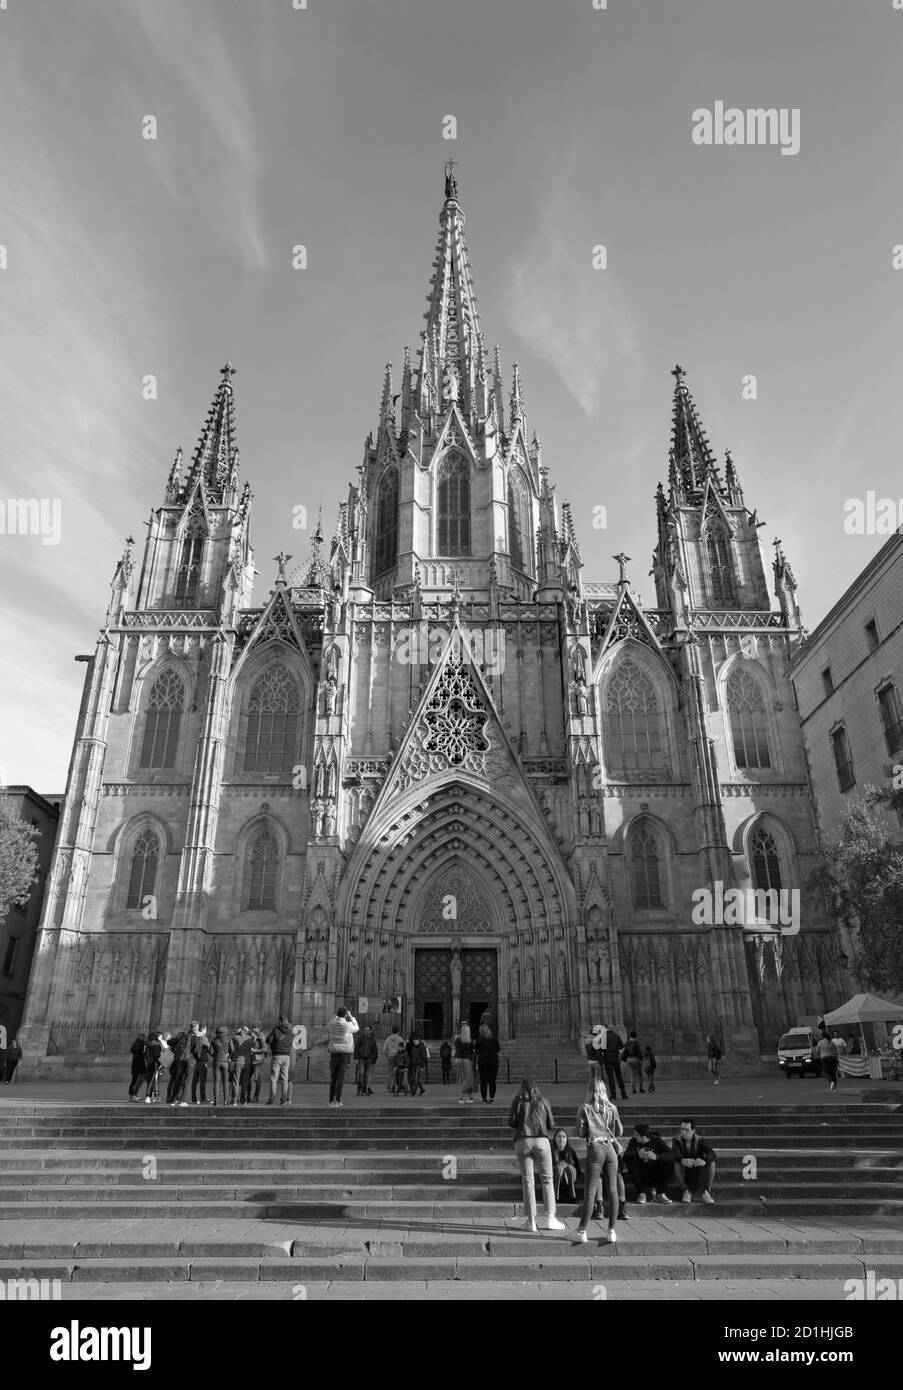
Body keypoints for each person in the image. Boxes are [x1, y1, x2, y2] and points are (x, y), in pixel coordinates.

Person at [507, 1079, 566, 1233]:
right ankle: (551, 1218)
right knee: (547, 1179)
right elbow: (552, 1124)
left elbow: (511, 1122)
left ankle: (531, 1221)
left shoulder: (518, 1101)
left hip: (523, 1140)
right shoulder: (544, 1101)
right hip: (542, 1141)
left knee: (528, 1181)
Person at [574, 1077, 622, 1245]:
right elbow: (619, 1131)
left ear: (589, 1090)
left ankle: (582, 1230)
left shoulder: (584, 1108)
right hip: (610, 1149)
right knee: (613, 1190)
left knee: (590, 1192)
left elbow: (580, 1133)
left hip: (595, 1149)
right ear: (604, 1090)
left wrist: (586, 1127)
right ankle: (611, 1230)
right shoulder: (612, 1107)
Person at [623, 1122, 675, 1204]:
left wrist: (656, 1156)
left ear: (643, 1137)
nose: (634, 1137)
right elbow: (625, 1157)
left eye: (636, 1135)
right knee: (631, 1162)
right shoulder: (633, 1141)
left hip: (655, 1173)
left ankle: (660, 1194)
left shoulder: (657, 1140)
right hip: (641, 1174)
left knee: (670, 1163)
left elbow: (671, 1154)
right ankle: (641, 1194)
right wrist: (638, 1154)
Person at [672, 1118, 716, 1204]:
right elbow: (675, 1154)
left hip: (697, 1168)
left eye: (687, 1130)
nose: (683, 1132)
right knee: (675, 1164)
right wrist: (682, 1160)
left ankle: (706, 1192)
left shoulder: (699, 1140)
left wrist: (704, 1160)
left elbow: (711, 1153)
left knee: (712, 1163)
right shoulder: (676, 1140)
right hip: (684, 1168)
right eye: (682, 1129)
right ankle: (686, 1191)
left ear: (693, 1131)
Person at [327, 1006, 359, 1107]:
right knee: (340, 1078)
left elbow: (331, 1020)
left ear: (337, 1014)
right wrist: (351, 1017)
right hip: (344, 1054)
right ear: (345, 1015)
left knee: (333, 1078)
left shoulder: (332, 1024)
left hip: (334, 1053)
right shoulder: (348, 1025)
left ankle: (331, 1101)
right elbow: (357, 1028)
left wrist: (336, 1015)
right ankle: (338, 1100)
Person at [266, 1016, 294, 1105]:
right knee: (285, 1079)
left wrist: (272, 1033)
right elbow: (290, 1043)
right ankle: (283, 1098)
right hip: (287, 1057)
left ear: (279, 1021)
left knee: (274, 1078)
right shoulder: (291, 1032)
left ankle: (272, 1097)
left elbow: (268, 1040)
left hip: (277, 1056)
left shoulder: (276, 1030)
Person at [170, 1024, 199, 1106]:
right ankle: (183, 1101)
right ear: (196, 1029)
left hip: (181, 1059)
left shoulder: (183, 1036)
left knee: (178, 1079)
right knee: (187, 1080)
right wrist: (197, 1058)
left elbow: (171, 1042)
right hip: (190, 1060)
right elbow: (197, 1051)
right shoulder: (194, 1037)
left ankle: (173, 1099)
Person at [551, 1127, 581, 1203]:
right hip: (556, 1178)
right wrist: (559, 1166)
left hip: (569, 1178)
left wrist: (567, 1165)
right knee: (558, 1168)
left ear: (567, 1139)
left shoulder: (571, 1151)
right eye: (559, 1136)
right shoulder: (551, 1151)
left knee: (570, 1168)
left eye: (564, 1137)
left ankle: (572, 1195)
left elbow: (578, 1171)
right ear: (555, 1139)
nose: (562, 1139)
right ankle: (555, 1197)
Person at [475, 1024, 501, 1103]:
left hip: (483, 1061)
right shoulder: (494, 1039)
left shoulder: (479, 1040)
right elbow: (498, 1049)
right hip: (493, 1061)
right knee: (492, 1080)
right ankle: (492, 1098)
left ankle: (484, 1098)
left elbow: (477, 1051)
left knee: (483, 1080)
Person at [602, 1024, 628, 1100]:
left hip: (608, 1059)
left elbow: (602, 1049)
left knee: (610, 1077)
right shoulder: (616, 1035)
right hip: (616, 1058)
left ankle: (613, 1094)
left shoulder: (603, 1037)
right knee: (619, 1076)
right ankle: (624, 1094)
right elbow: (621, 1046)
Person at [229, 1026, 253, 1105]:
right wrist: (248, 1031)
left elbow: (231, 1044)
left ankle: (234, 1099)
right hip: (247, 1062)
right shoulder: (250, 1038)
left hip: (238, 1062)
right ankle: (244, 1100)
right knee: (245, 1082)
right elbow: (254, 1037)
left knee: (236, 1081)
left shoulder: (235, 1037)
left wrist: (237, 1032)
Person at [454, 1021, 476, 1104]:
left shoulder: (457, 1039)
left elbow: (456, 1049)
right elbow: (472, 1051)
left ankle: (470, 1098)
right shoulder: (470, 1040)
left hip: (459, 1059)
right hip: (467, 1059)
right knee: (469, 1078)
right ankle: (461, 1096)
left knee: (464, 1078)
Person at [354, 1025, 378, 1096]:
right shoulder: (361, 1038)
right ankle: (359, 1089)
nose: (366, 1031)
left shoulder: (372, 1039)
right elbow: (356, 1048)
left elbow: (375, 1050)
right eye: (365, 1030)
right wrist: (355, 1058)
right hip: (361, 1059)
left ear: (370, 1031)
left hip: (369, 1059)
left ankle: (364, 1090)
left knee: (366, 1075)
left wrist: (373, 1058)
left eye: (368, 1030)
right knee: (361, 1074)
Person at [211, 1025, 231, 1107]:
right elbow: (232, 1050)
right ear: (225, 1032)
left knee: (216, 1082)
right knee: (225, 1082)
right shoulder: (228, 1039)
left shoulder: (214, 1040)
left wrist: (215, 1056)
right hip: (225, 1062)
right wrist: (227, 1056)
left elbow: (210, 1051)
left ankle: (216, 1102)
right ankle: (226, 1101)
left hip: (217, 1061)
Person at [383, 1026, 407, 1093]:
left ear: (392, 1031)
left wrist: (387, 1055)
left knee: (390, 1074)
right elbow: (403, 1048)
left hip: (390, 1057)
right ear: (398, 1031)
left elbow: (384, 1049)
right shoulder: (400, 1039)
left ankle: (389, 1088)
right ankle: (397, 1087)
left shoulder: (388, 1039)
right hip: (398, 1057)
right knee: (398, 1073)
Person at [191, 1025, 210, 1104]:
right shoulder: (204, 1038)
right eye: (205, 1030)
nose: (206, 1031)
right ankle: (203, 1098)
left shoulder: (195, 1037)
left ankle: (194, 1098)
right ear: (202, 1030)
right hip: (203, 1061)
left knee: (194, 1081)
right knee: (202, 1081)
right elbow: (209, 1048)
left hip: (195, 1061)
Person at [249, 1023, 267, 1103]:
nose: (254, 1029)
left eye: (255, 1028)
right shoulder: (253, 1035)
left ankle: (256, 1096)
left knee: (257, 1079)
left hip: (257, 1060)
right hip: (252, 1059)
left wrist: (255, 1050)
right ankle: (247, 1096)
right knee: (247, 1078)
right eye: (253, 1027)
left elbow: (265, 1049)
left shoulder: (261, 1036)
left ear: (259, 1028)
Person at [128, 1034, 147, 1099]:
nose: (144, 1039)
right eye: (144, 1037)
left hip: (136, 1065)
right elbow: (141, 1054)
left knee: (135, 1080)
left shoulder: (136, 1044)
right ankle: (132, 1095)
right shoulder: (141, 1045)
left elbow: (132, 1051)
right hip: (140, 1065)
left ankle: (132, 1094)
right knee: (136, 1081)